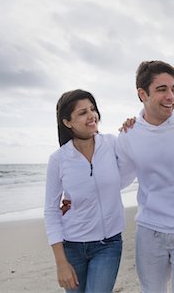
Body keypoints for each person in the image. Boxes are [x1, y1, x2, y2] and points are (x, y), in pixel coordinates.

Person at [115, 61, 174, 292]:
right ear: (142, 94)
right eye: (162, 89)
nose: (171, 96)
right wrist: (73, 195)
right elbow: (118, 180)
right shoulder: (130, 134)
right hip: (150, 231)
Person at [44, 89, 124, 293]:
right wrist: (61, 263)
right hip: (72, 247)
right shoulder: (59, 159)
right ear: (67, 122)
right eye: (82, 113)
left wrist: (133, 128)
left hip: (108, 244)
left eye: (92, 109)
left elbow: (128, 172)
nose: (91, 115)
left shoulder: (113, 143)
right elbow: (51, 210)